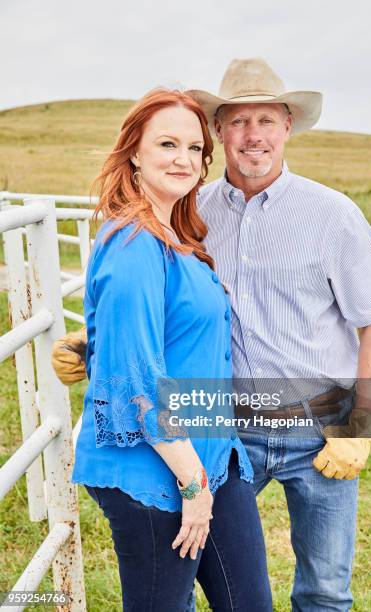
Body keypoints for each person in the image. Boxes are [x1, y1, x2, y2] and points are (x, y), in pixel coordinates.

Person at [53, 59, 371, 611]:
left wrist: (363, 424)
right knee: (193, 581)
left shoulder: (332, 215)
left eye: (267, 119)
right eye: (238, 121)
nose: (254, 135)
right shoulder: (194, 212)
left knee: (324, 589)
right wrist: (96, 348)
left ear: (288, 124)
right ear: (219, 129)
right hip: (224, 427)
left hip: (321, 427)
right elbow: (156, 312)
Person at [64, 88, 272, 612]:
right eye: (167, 144)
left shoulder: (175, 233)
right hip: (157, 471)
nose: (184, 159)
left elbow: (155, 335)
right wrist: (192, 487)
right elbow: (136, 380)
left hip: (212, 456)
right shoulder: (133, 243)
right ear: (134, 151)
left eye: (195, 147)